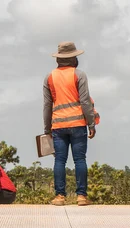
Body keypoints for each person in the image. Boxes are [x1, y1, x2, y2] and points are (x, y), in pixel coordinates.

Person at [43, 42, 96, 207]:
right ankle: (81, 196)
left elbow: (47, 105)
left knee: (60, 160)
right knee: (80, 159)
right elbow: (85, 101)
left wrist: (47, 129)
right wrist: (91, 124)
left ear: (58, 59)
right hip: (78, 123)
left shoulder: (49, 77)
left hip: (58, 125)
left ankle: (60, 196)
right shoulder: (79, 75)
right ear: (73, 58)